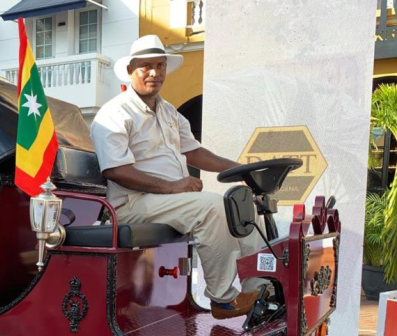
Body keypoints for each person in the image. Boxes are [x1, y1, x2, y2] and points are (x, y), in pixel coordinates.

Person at [90, 35, 267, 319]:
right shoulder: (115, 112)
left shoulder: (169, 110)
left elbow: (195, 152)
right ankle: (222, 299)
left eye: (160, 65)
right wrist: (174, 187)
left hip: (163, 201)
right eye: (146, 66)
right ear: (130, 70)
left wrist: (242, 170)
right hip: (131, 204)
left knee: (244, 205)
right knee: (212, 207)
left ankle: (260, 289)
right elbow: (115, 170)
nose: (154, 73)